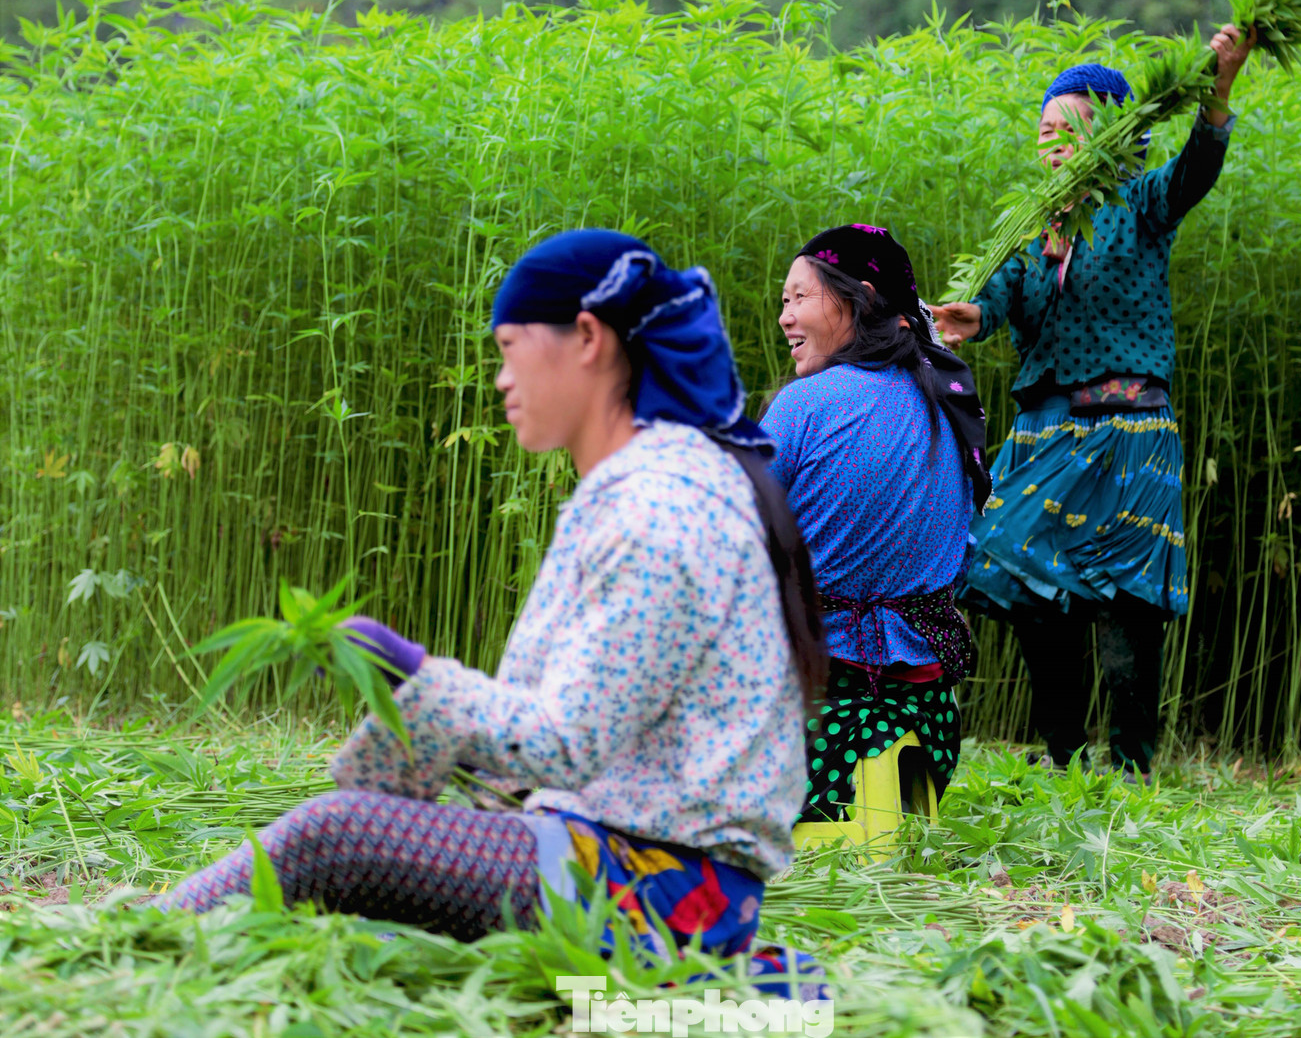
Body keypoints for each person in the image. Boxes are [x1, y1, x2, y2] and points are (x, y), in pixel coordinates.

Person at [159, 230, 827, 988]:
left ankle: (142, 934)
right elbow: (534, 747)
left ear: (586, 338)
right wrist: (418, 754)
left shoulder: (662, 512)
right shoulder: (641, 487)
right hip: (608, 856)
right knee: (359, 887)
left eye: (510, 349)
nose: (503, 380)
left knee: (329, 839)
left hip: (653, 888)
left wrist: (414, 673)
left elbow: (568, 743)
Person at [931, 27, 1252, 783]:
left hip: (1130, 431)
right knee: (1015, 577)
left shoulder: (1139, 205)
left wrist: (1218, 93)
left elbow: (1194, 173)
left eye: (1064, 126)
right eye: (1041, 128)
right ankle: (1065, 756)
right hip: (1046, 436)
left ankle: (1134, 766)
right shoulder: (1031, 229)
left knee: (1129, 603)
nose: (1047, 139)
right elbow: (998, 302)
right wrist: (967, 317)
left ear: (1107, 136)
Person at [760, 223, 992, 822]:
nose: (785, 316)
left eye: (799, 297)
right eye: (783, 301)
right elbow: (962, 551)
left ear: (859, 300)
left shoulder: (802, 406)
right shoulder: (954, 408)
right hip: (930, 728)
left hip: (813, 731)